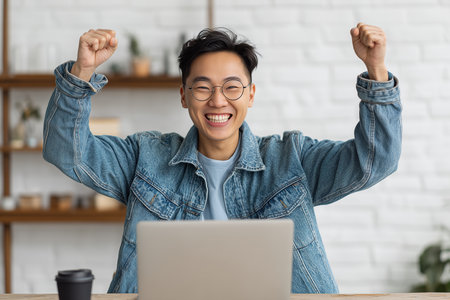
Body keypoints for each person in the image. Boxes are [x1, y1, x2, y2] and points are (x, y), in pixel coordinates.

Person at [43, 23, 401, 293]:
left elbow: (374, 162)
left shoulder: (292, 159)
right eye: (202, 87)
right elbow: (68, 151)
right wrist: (82, 73)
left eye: (232, 87)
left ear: (250, 95)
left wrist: (377, 72)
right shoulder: (145, 158)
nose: (217, 101)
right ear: (184, 96)